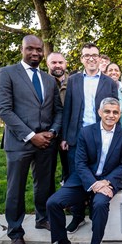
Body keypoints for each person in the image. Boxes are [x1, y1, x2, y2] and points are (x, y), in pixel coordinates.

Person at [37, 97, 122, 244]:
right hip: (83, 179)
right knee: (53, 203)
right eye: (107, 111)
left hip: (108, 180)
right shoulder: (86, 132)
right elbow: (80, 162)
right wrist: (94, 184)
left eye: (115, 112)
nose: (111, 115)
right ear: (99, 113)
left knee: (100, 204)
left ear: (119, 115)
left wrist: (107, 181)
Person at [0, 34, 63, 244]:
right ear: (22, 49)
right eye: (30, 49)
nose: (35, 53)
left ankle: (42, 218)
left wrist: (52, 132)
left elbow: (58, 111)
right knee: (15, 189)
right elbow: (4, 110)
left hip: (46, 143)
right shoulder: (7, 73)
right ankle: (15, 231)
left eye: (39, 50)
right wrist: (30, 135)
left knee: (44, 185)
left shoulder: (48, 79)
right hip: (18, 143)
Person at [61, 42, 118, 233]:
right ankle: (77, 216)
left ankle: (97, 214)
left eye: (94, 54)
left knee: (99, 173)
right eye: (87, 55)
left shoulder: (110, 83)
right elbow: (67, 108)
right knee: (77, 177)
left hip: (102, 137)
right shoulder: (74, 80)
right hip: (77, 137)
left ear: (100, 58)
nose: (91, 58)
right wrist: (64, 136)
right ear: (81, 59)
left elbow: (115, 112)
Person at [47, 52, 70, 184]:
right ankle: (49, 202)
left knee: (69, 168)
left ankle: (69, 201)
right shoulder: (43, 81)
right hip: (48, 131)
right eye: (54, 63)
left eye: (60, 63)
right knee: (47, 170)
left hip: (67, 131)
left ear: (65, 64)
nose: (57, 66)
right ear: (48, 64)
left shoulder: (73, 81)